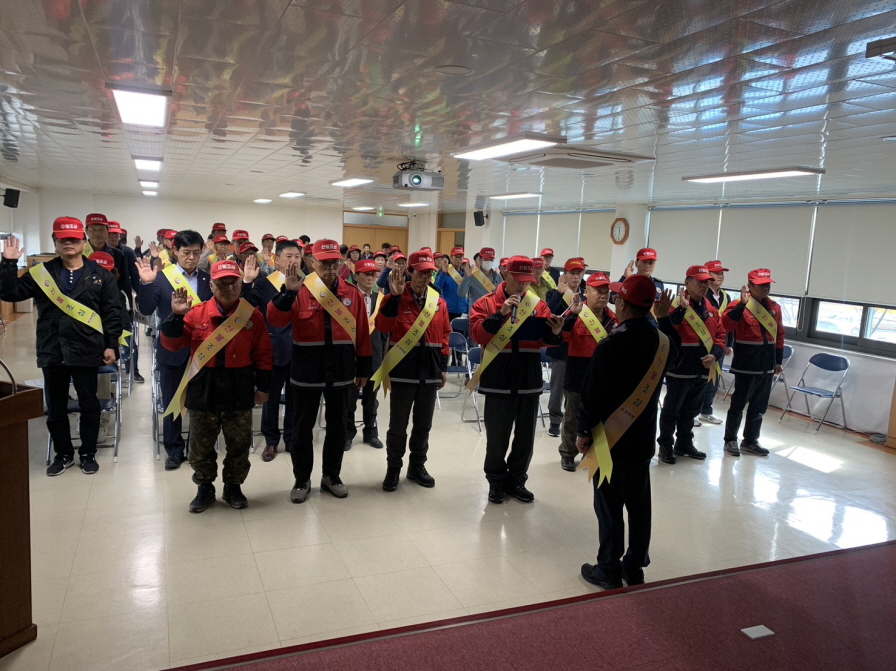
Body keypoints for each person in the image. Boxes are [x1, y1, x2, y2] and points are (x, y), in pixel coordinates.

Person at [577, 276, 679, 590]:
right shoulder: (662, 342)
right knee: (639, 505)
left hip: (609, 440)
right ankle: (634, 567)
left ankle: (608, 569)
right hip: (642, 439)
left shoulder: (613, 343)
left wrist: (583, 431)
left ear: (621, 303)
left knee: (608, 506)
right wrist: (665, 319)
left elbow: (593, 394)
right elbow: (678, 356)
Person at [1, 220, 123, 476]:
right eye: (62, 239)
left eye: (74, 239)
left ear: (83, 242)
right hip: (53, 348)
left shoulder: (100, 275)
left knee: (89, 404)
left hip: (87, 348)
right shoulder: (41, 274)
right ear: (55, 242)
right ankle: (63, 453)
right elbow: (10, 293)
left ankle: (88, 452)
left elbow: (112, 312)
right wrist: (9, 263)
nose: (68, 243)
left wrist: (112, 344)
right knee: (55, 408)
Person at [162, 260, 273, 513]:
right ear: (211, 286)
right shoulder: (195, 313)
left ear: (241, 285)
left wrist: (264, 387)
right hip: (204, 387)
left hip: (239, 386)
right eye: (221, 283)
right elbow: (172, 345)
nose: (228, 288)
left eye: (233, 282)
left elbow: (264, 355)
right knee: (200, 446)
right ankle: (205, 488)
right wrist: (176, 316)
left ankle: (233, 486)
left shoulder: (252, 316)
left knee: (239, 445)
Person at [267, 239, 372, 503]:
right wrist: (288, 293)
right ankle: (302, 479)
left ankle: (331, 476)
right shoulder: (298, 289)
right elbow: (275, 320)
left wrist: (363, 367)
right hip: (306, 370)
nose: (330, 268)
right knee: (302, 429)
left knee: (338, 427)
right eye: (324, 263)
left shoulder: (352, 293)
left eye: (335, 263)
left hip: (342, 369)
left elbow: (362, 332)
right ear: (312, 263)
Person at [470, 256, 565, 504]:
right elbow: (477, 335)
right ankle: (496, 482)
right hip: (497, 377)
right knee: (497, 437)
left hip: (528, 378)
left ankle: (517, 480)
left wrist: (555, 333)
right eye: (519, 280)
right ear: (506, 275)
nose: (523, 286)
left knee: (525, 438)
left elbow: (547, 342)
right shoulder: (486, 303)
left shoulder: (538, 305)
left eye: (527, 281)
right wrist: (500, 314)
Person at [137, 230, 213, 470]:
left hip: (202, 349)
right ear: (175, 252)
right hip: (171, 348)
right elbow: (146, 309)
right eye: (186, 252)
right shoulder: (161, 278)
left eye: (196, 253)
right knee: (172, 401)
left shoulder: (207, 279)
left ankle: (198, 447)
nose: (191, 258)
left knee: (201, 401)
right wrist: (146, 284)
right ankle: (174, 449)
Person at [375, 251, 451, 491]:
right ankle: (393, 469)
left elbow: (445, 335)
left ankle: (417, 466)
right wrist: (395, 298)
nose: (425, 278)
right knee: (398, 427)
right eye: (421, 273)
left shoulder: (438, 301)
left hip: (430, 371)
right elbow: (383, 326)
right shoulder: (396, 297)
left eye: (429, 273)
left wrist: (443, 367)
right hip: (402, 372)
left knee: (423, 426)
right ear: (410, 272)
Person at [657, 266, 726, 464]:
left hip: (702, 369)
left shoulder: (711, 309)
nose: (703, 286)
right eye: (699, 282)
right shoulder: (675, 305)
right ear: (687, 283)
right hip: (680, 369)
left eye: (706, 282)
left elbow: (721, 336)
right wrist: (681, 310)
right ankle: (665, 445)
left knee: (691, 410)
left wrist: (715, 355)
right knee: (671, 410)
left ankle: (684, 443)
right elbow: (667, 330)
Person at [721, 269, 784, 457]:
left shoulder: (775, 307)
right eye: (761, 285)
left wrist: (778, 361)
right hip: (746, 364)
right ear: (750, 286)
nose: (766, 288)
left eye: (768, 284)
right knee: (738, 405)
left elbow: (779, 335)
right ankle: (730, 440)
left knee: (759, 406)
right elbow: (727, 325)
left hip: (767, 364)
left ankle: (751, 441)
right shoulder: (739, 304)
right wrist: (741, 305)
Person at [248, 239, 301, 462]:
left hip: (299, 349)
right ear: (276, 260)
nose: (293, 261)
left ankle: (291, 438)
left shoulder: (308, 284)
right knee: (270, 398)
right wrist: (247, 281)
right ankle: (271, 440)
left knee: (295, 398)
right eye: (288, 257)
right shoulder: (263, 284)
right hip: (273, 349)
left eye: (297, 256)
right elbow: (247, 309)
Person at [558, 272, 617, 472]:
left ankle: (590, 452)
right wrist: (572, 315)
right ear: (586, 292)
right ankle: (568, 453)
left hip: (603, 373)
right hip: (578, 372)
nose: (603, 295)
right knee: (572, 416)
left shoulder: (613, 318)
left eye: (606, 292)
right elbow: (561, 336)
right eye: (598, 291)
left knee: (599, 415)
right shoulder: (576, 313)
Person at [345, 259, 386, 450]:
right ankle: (348, 433)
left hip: (375, 355)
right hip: (352, 356)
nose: (370, 278)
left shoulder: (381, 299)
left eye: (373, 274)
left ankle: (371, 432)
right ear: (356, 276)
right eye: (366, 274)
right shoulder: (348, 298)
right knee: (349, 400)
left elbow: (385, 331)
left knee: (371, 400)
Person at [545, 257, 587, 437]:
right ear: (565, 275)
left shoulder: (588, 294)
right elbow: (547, 313)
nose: (576, 277)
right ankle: (555, 421)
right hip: (561, 347)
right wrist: (559, 294)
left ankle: (575, 423)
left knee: (577, 390)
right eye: (572, 273)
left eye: (579, 273)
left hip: (582, 349)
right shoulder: (554, 293)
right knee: (557, 388)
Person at [698, 260, 734, 425]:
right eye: (716, 273)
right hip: (703, 343)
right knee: (700, 378)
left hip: (719, 344)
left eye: (722, 273)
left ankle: (706, 410)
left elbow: (729, 322)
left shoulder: (726, 297)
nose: (720, 276)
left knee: (714, 378)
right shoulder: (701, 294)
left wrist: (729, 344)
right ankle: (692, 411)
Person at [107, 221, 143, 382]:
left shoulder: (126, 252)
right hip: (102, 301)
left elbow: (134, 276)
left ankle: (133, 370)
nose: (113, 237)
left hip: (123, 300)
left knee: (128, 337)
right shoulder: (95, 252)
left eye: (116, 234)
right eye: (110, 233)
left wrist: (137, 298)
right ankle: (111, 371)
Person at [433, 246, 468, 321]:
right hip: (448, 310)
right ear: (451, 258)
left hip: (463, 310)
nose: (458, 259)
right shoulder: (445, 270)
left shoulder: (466, 272)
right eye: (456, 257)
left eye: (460, 257)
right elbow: (436, 287)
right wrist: (443, 273)